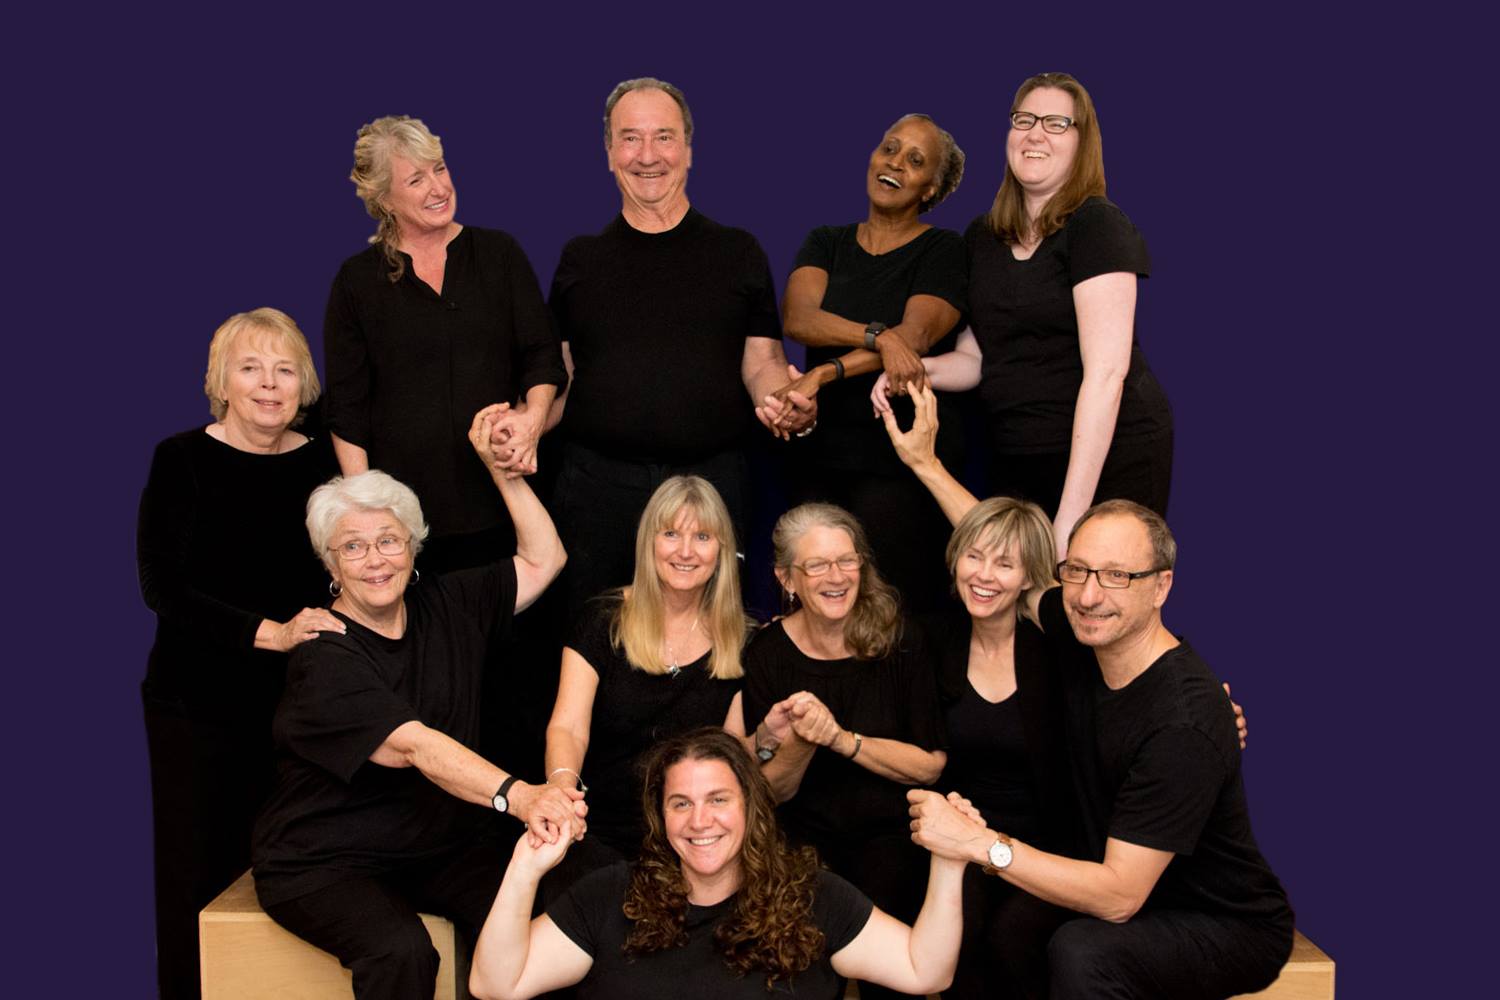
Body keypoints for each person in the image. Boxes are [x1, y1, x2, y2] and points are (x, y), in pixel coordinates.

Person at [250, 408, 580, 1000]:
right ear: (331, 564)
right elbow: (414, 747)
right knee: (401, 952)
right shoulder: (323, 652)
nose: (376, 560)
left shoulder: (448, 603)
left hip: (436, 846)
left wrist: (502, 472)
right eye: (353, 547)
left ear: (413, 546)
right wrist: (520, 796)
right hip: (324, 858)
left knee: (539, 917)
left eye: (388, 540)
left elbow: (544, 559)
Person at [909, 499, 1292, 999]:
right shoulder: (1082, 632)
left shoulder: (1181, 722)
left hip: (1218, 918)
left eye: (1117, 576)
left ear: (1162, 587)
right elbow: (1004, 561)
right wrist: (924, 465)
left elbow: (1119, 898)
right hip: (1134, 886)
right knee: (1005, 935)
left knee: (1082, 951)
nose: (1090, 595)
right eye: (1078, 570)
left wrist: (978, 843)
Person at [546, 76, 816, 616]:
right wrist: (524, 427)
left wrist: (787, 403)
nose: (647, 155)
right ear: (609, 153)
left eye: (664, 137)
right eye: (630, 138)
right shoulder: (581, 258)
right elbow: (562, 374)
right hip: (598, 492)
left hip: (710, 486)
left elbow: (762, 362)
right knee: (595, 635)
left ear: (689, 150)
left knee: (711, 638)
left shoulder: (738, 251)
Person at [874, 73, 1172, 557]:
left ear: (1082, 142)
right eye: (1025, 120)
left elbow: (1106, 376)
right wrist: (910, 372)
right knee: (1021, 592)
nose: (1036, 134)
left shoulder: (1097, 226)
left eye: (1056, 123)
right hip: (1020, 451)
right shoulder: (983, 236)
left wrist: (1070, 520)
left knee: (1086, 586)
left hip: (1111, 455)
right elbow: (977, 360)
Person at [138, 307, 340, 1000]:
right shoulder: (181, 459)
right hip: (197, 706)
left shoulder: (323, 463)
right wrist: (272, 633)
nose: (269, 384)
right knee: (196, 879)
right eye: (250, 368)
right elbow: (162, 588)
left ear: (304, 386)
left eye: (285, 370)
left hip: (297, 707)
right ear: (220, 382)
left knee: (289, 873)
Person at [470, 728, 963, 1000]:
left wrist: (950, 859)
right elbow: (495, 985)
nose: (699, 820)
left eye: (718, 799)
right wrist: (525, 867)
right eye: (680, 803)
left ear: (750, 806)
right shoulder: (611, 895)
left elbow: (926, 971)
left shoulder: (812, 897)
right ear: (661, 817)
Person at [323, 114, 566, 573]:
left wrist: (531, 422)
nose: (438, 187)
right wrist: (370, 515)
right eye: (416, 179)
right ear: (384, 199)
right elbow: (347, 409)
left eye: (440, 168)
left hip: (508, 508)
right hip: (407, 523)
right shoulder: (356, 282)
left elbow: (542, 356)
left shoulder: (500, 254)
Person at [728, 503, 944, 1000]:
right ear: (787, 578)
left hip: (890, 837)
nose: (837, 576)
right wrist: (800, 740)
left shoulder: (899, 640)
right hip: (800, 841)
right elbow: (771, 792)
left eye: (847, 561)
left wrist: (841, 739)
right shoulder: (767, 653)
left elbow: (930, 766)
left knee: (890, 954)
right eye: (817, 565)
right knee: (791, 962)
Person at [775, 113, 968, 612]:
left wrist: (826, 371)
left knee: (889, 610)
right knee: (813, 607)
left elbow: (916, 336)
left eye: (915, 161)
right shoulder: (826, 241)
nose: (895, 164)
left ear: (931, 188)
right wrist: (879, 337)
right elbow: (798, 318)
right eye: (890, 148)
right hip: (818, 457)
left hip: (896, 463)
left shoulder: (944, 250)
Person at [542, 476, 747, 882]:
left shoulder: (742, 640)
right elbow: (568, 728)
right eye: (671, 534)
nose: (685, 551)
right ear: (648, 542)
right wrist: (562, 795)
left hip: (693, 838)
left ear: (722, 550)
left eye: (702, 536)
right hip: (596, 829)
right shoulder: (603, 620)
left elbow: (732, 757)